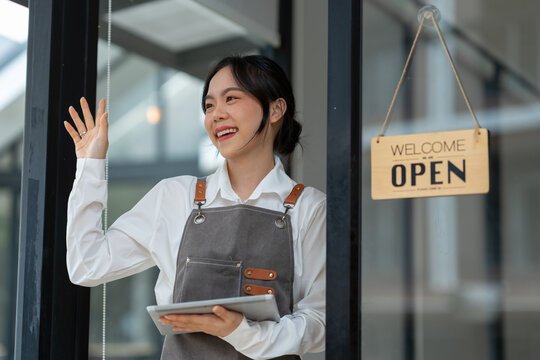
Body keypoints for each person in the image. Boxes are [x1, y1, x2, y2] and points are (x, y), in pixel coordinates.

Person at [64, 55, 326, 359]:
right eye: (209, 105)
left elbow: (319, 323)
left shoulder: (310, 208)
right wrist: (90, 164)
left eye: (231, 99)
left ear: (276, 109)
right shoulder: (174, 197)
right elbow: (86, 265)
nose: (216, 115)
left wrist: (240, 332)